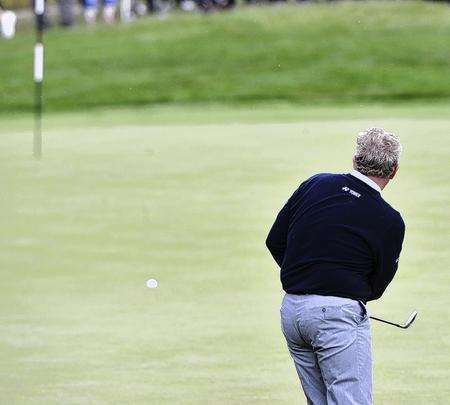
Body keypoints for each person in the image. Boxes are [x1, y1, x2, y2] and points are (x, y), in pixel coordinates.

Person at [266, 127, 405, 405]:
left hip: (293, 313)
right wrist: (339, 291)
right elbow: (378, 284)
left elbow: (276, 240)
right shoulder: (390, 219)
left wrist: (309, 276)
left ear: (355, 160)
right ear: (394, 171)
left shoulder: (315, 184)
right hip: (337, 316)